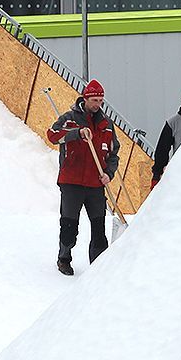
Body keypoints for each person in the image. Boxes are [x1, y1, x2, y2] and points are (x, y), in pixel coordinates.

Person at [46, 79, 119, 275]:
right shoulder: (69, 118)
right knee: (69, 224)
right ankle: (64, 258)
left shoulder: (107, 125)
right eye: (94, 100)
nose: (97, 104)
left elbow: (114, 154)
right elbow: (52, 136)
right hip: (72, 181)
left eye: (100, 101)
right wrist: (76, 133)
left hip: (96, 183)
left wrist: (109, 174)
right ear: (85, 98)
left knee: (98, 226)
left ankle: (98, 267)